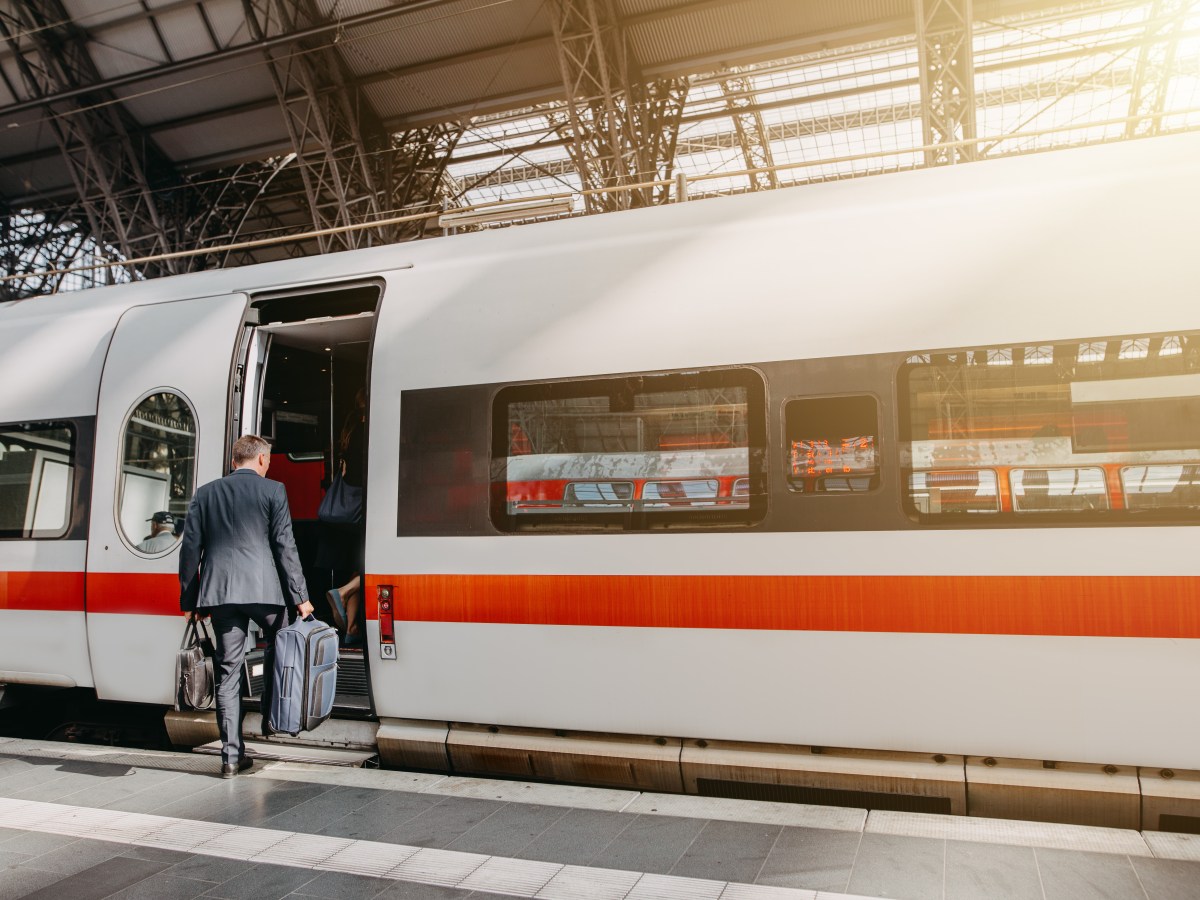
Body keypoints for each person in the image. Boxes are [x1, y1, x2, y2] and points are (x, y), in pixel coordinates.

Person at [179, 434, 314, 778]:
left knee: (227, 674)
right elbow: (286, 546)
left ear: (234, 460)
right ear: (263, 460)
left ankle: (230, 757)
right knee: (283, 643)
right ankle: (273, 716)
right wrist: (301, 598)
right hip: (264, 591)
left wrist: (190, 600)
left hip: (221, 594)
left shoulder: (206, 493)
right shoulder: (273, 491)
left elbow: (190, 550)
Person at [319, 387, 366, 646]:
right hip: (362, 511)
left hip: (346, 517)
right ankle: (343, 592)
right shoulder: (368, 433)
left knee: (355, 568)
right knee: (374, 564)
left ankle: (351, 627)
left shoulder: (349, 433)